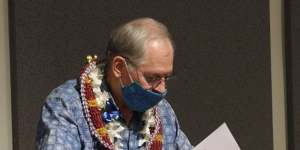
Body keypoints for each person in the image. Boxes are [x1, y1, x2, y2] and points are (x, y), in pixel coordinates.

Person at [36, 17, 193, 150]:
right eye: (152, 78)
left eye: (166, 78)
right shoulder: (68, 105)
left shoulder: (162, 112)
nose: (162, 89)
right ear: (119, 67)